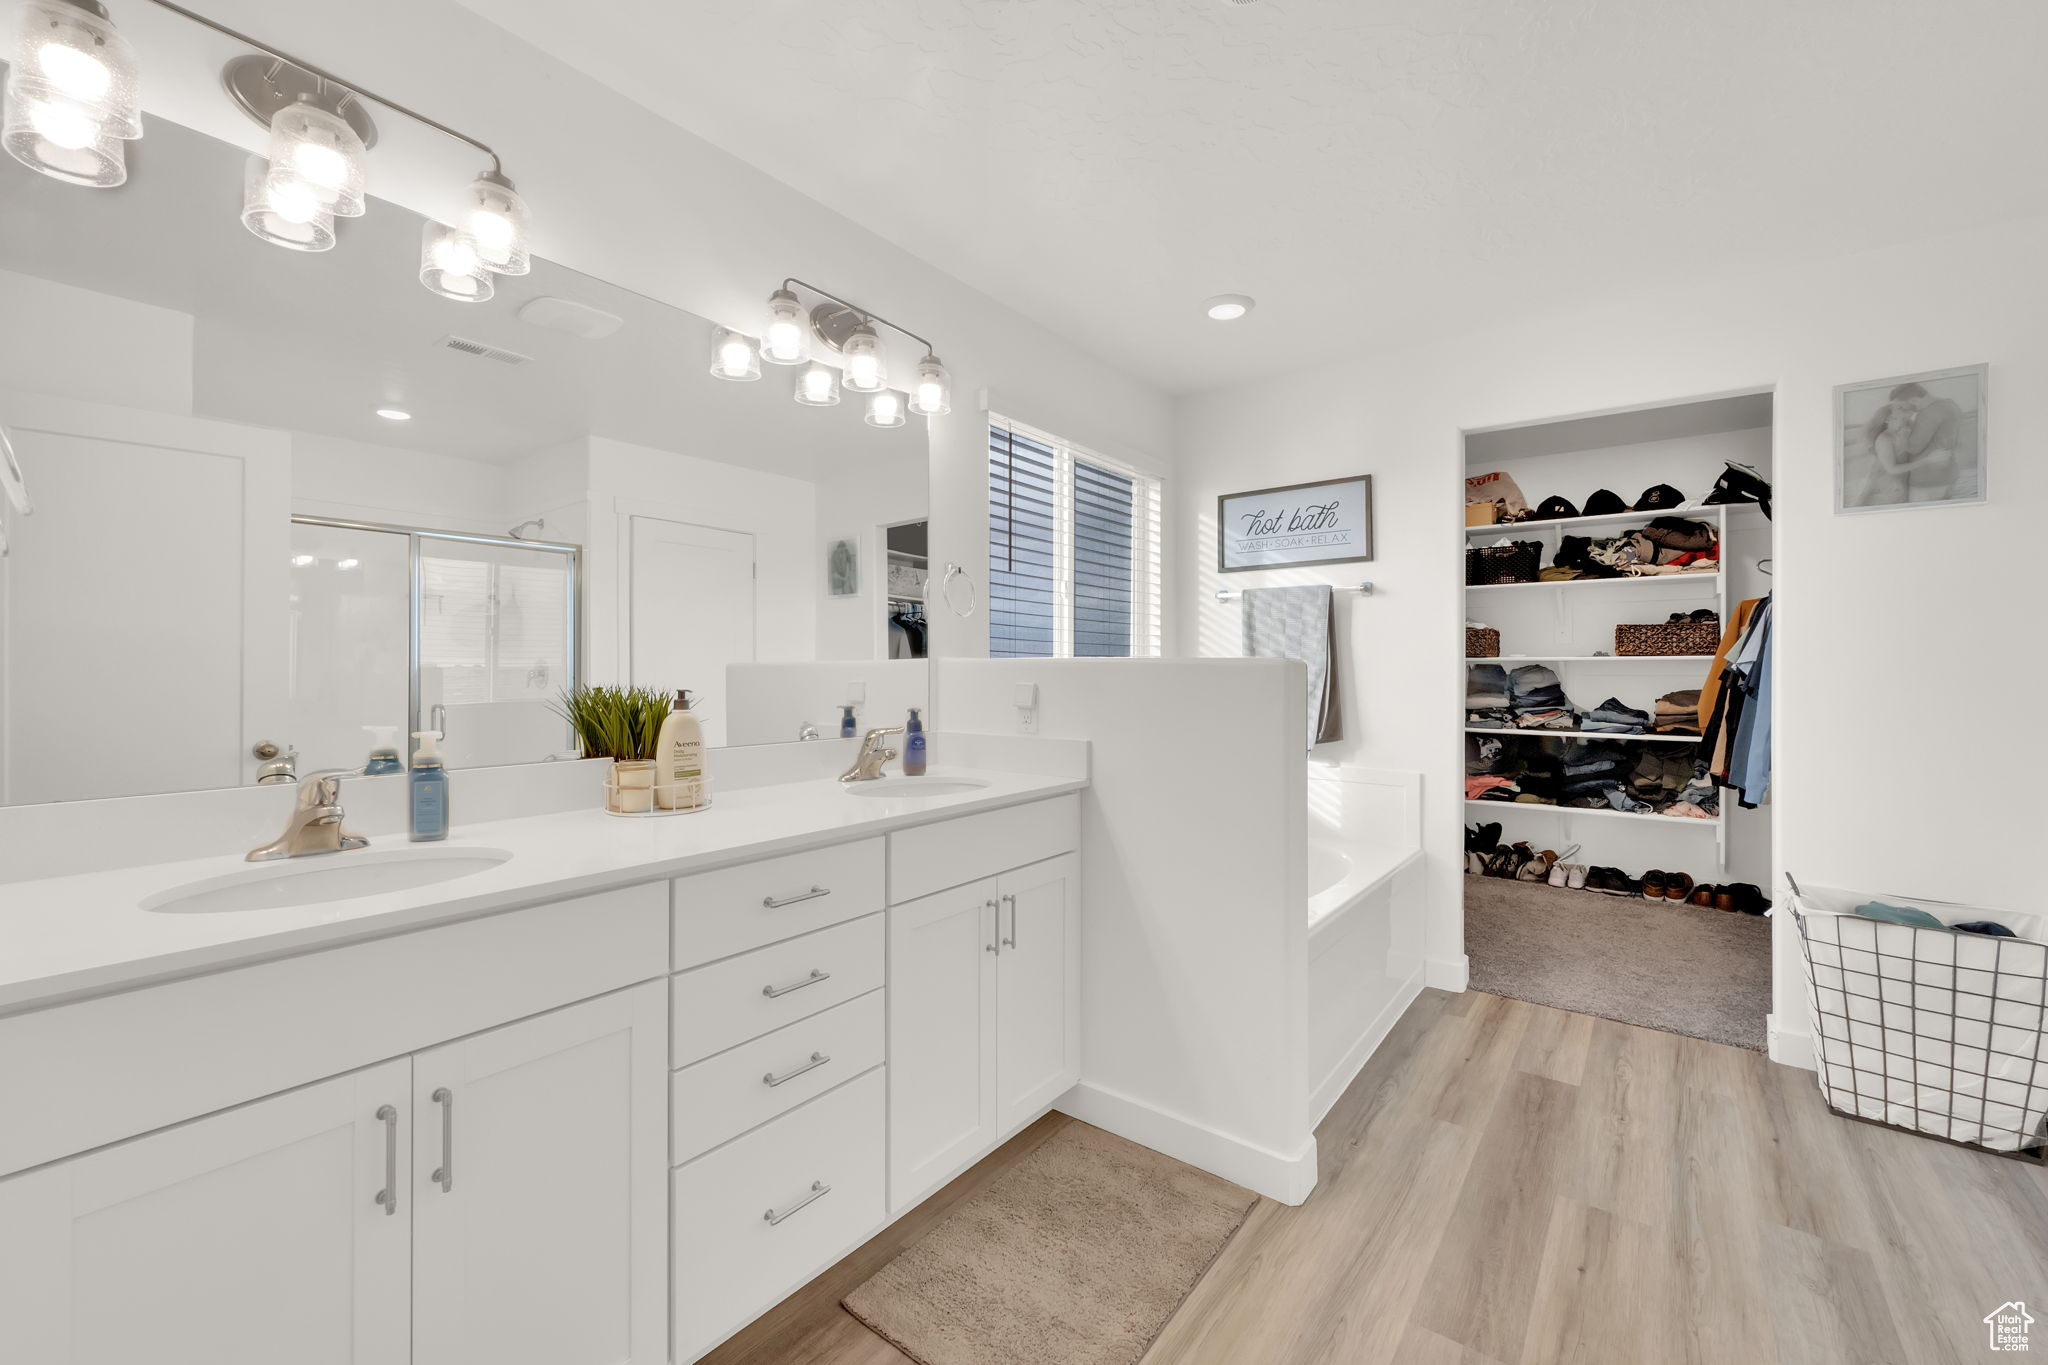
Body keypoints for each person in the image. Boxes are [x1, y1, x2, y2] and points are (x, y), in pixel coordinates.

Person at [1859, 381, 1961, 505]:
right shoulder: (1885, 439)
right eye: (1899, 409)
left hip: (1909, 479)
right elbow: (1892, 468)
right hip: (1891, 481)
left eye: (1902, 407)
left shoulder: (1909, 427)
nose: (1906, 412)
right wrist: (1927, 460)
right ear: (1887, 419)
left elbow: (1916, 445)